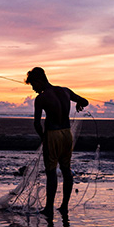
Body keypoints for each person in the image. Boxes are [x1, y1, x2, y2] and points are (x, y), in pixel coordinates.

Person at [27, 67, 89, 217]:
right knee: (66, 170)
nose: (34, 89)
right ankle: (64, 207)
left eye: (33, 85)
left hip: (52, 135)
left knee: (51, 171)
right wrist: (79, 104)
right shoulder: (65, 91)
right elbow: (85, 101)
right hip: (67, 134)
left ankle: (49, 208)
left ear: (39, 81)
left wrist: (43, 138)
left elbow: (36, 123)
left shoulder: (41, 98)